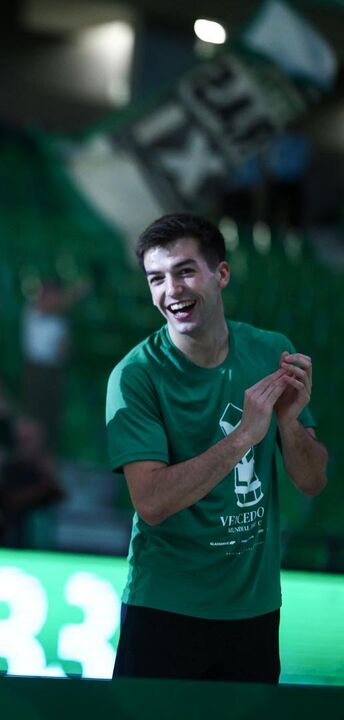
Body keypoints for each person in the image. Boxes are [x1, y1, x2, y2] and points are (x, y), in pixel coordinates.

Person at [106, 213, 327, 683]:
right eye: (157, 279)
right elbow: (152, 502)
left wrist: (288, 422)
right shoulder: (135, 376)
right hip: (165, 607)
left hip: (255, 611)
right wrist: (245, 435)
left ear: (221, 274)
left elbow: (311, 480)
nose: (172, 290)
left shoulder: (272, 352)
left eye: (186, 271)